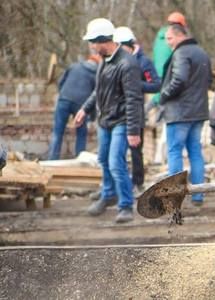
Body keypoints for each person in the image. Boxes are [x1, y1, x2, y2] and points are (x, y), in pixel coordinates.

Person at [75, 18, 144, 223]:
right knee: (104, 160)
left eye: (93, 43)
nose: (92, 47)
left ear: (103, 41)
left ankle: (126, 206)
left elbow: (134, 99)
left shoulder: (127, 63)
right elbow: (99, 90)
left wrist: (133, 131)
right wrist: (84, 109)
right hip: (105, 120)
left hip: (122, 121)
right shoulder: (104, 61)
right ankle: (108, 195)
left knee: (116, 163)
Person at [160, 24, 211, 206]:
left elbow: (179, 80)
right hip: (198, 112)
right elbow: (209, 80)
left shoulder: (181, 53)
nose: (167, 43)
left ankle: (174, 197)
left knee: (174, 152)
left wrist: (164, 95)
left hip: (179, 113)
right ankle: (198, 196)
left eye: (169, 38)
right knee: (195, 153)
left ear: (179, 36)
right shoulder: (201, 52)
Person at [114, 26, 161, 194]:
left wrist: (135, 85)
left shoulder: (143, 62)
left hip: (136, 111)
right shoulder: (115, 61)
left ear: (129, 45)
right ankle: (117, 185)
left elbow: (156, 84)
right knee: (116, 152)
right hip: (117, 113)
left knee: (135, 152)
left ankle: (137, 183)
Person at [48, 54, 101, 160]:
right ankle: (79, 159)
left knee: (57, 131)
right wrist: (92, 117)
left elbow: (60, 82)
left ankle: (52, 159)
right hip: (81, 105)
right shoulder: (97, 75)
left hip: (64, 99)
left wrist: (63, 94)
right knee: (81, 133)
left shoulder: (74, 66)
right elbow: (95, 96)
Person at [151, 12, 187, 165]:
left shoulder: (160, 38)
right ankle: (163, 158)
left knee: (165, 123)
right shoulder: (172, 42)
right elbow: (178, 74)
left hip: (159, 85)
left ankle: (159, 156)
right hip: (168, 88)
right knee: (170, 126)